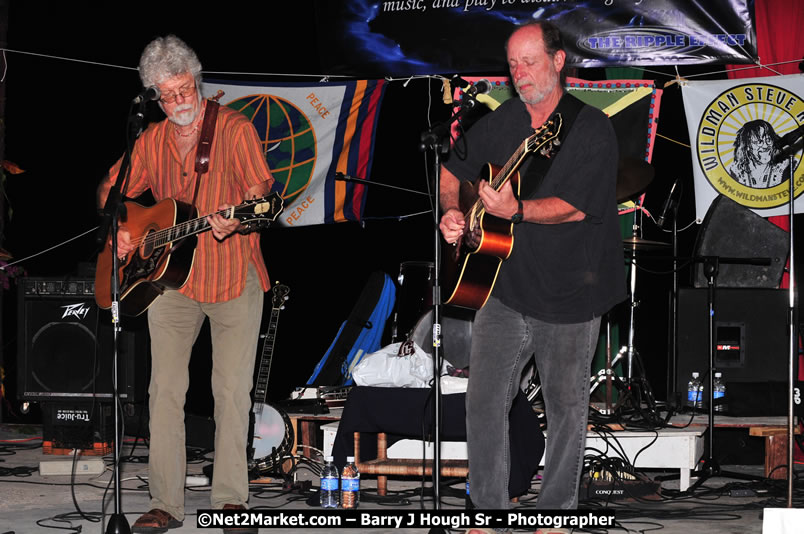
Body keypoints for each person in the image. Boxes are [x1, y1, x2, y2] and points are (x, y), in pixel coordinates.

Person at [439, 21, 626, 513]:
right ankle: (488, 509)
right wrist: (452, 211)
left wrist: (515, 210)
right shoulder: (503, 120)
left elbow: (576, 207)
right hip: (503, 287)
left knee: (565, 409)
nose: (519, 73)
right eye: (512, 64)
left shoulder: (590, 127)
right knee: (482, 401)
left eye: (529, 62)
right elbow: (451, 170)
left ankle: (557, 513)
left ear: (558, 61)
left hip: (570, 292)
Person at [97, 35, 274, 533]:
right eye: (167, 94)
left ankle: (230, 501)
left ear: (197, 81)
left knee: (230, 392)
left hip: (232, 274)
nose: (179, 101)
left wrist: (239, 218)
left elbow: (263, 193)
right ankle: (165, 504)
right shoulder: (150, 140)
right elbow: (110, 189)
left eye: (184, 89)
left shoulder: (234, 129)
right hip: (169, 281)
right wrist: (123, 230)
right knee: (164, 392)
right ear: (154, 96)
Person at [729, 119, 797, 188]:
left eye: (768, 140)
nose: (765, 146)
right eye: (759, 142)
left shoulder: (786, 168)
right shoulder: (737, 172)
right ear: (747, 146)